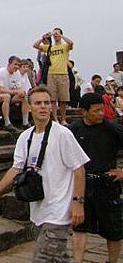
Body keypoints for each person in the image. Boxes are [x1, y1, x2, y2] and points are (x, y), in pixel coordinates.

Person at [0, 86, 88, 262]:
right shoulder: (26, 137)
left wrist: (78, 202)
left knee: (43, 257)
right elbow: (16, 168)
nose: (43, 107)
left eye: (47, 103)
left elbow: (79, 168)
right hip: (39, 209)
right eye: (38, 103)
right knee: (56, 257)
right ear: (29, 107)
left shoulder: (62, 134)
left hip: (59, 210)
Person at [69, 92, 123, 263]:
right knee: (79, 226)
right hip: (81, 184)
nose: (101, 114)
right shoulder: (73, 130)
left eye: (102, 110)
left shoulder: (112, 129)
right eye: (96, 111)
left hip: (106, 184)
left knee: (113, 229)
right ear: (84, 112)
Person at [33, 28, 74, 124]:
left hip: (63, 74)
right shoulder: (49, 47)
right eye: (54, 34)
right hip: (51, 74)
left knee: (64, 99)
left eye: (57, 33)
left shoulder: (64, 46)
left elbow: (71, 43)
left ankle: (63, 119)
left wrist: (61, 36)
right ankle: (55, 118)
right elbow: (35, 45)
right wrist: (43, 37)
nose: (55, 35)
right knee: (53, 99)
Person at [0, 56, 30, 131]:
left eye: (18, 65)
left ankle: (25, 122)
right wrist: (16, 92)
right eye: (15, 64)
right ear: (9, 64)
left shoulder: (17, 74)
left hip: (10, 95)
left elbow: (18, 88)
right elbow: (1, 90)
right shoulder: (0, 72)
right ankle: (7, 123)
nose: (17, 67)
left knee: (24, 96)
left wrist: (21, 92)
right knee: (6, 96)